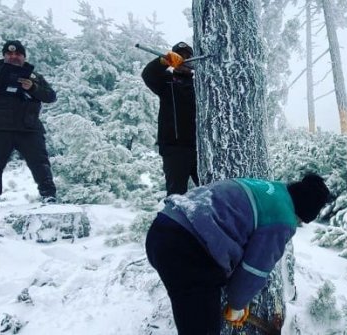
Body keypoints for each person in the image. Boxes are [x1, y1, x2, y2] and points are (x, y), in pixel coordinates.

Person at [145, 173, 331, 334]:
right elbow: (254, 269)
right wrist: (237, 305)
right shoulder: (282, 218)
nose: (295, 224)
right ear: (303, 212)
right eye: (299, 221)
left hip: (163, 228)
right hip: (188, 250)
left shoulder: (271, 189)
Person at [0, 40, 57, 209]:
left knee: (40, 163)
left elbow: (50, 96)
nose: (13, 57)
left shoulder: (33, 75)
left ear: (24, 56)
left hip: (29, 127)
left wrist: (32, 87)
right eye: (9, 54)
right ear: (4, 56)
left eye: (17, 54)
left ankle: (49, 196)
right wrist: (0, 84)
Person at [141, 41, 199, 195]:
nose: (184, 60)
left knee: (211, 192)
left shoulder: (200, 85)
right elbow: (148, 75)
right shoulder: (165, 82)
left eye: (188, 57)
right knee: (175, 196)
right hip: (174, 149)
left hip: (200, 149)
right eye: (179, 56)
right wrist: (163, 61)